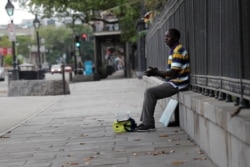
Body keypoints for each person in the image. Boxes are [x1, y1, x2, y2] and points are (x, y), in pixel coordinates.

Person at [136, 28, 190, 132]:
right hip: (174, 82)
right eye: (165, 37)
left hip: (178, 83)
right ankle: (146, 122)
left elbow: (173, 73)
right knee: (150, 92)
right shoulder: (174, 50)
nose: (165, 39)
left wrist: (156, 72)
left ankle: (148, 123)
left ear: (175, 38)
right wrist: (156, 72)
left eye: (168, 37)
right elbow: (170, 73)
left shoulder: (178, 51)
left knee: (150, 92)